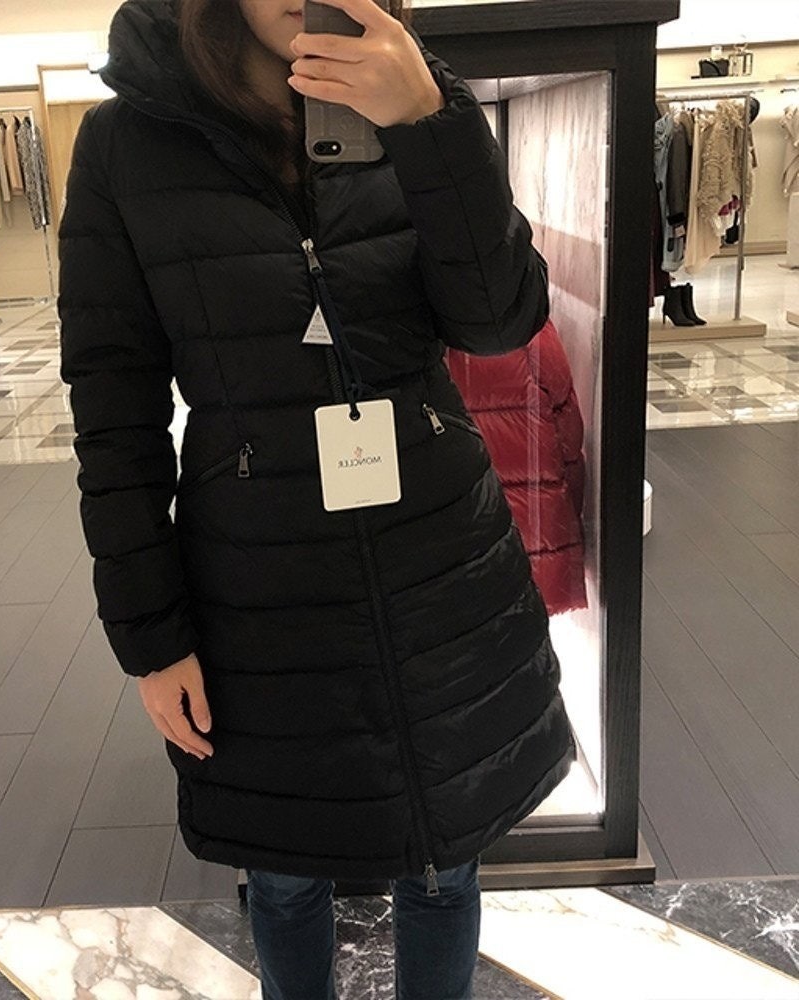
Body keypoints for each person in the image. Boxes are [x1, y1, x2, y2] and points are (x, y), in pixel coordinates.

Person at [58, 0, 578, 997]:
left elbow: (498, 319)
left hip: (440, 561)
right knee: (285, 872)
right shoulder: (127, 143)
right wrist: (150, 634)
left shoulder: (420, 97)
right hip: (257, 584)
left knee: (445, 858)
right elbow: (112, 407)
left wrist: (428, 125)